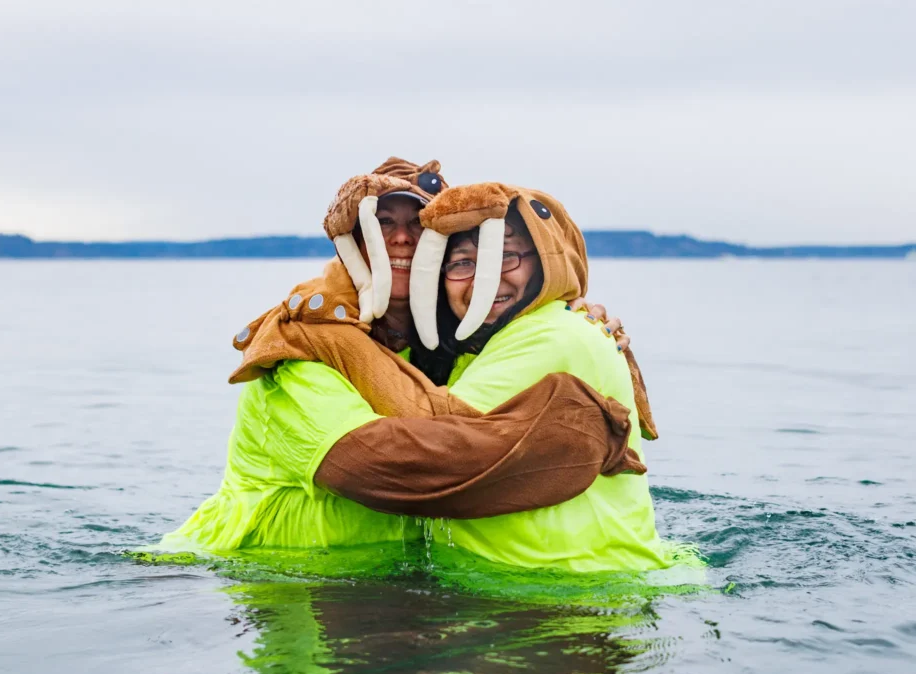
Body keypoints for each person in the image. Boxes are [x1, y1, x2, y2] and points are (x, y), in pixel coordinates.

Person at [160, 160, 645, 553]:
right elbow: (381, 466)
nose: (401, 239)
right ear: (353, 243)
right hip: (253, 576)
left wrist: (570, 318)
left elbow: (461, 424)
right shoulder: (297, 349)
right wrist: (581, 434)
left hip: (377, 588)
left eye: (419, 224)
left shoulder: (455, 347)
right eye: (382, 223)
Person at [291, 181, 693, 573]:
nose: (487, 278)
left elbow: (433, 435)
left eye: (506, 256)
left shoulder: (555, 334)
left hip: (584, 590)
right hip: (510, 587)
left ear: (545, 262)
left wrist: (325, 335)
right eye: (463, 262)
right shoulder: (469, 350)